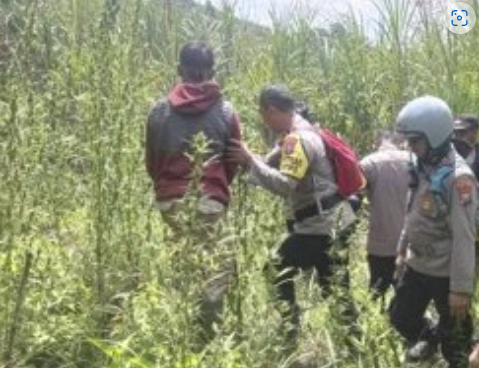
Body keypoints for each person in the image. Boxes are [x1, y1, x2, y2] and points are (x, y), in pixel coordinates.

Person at [227, 85, 358, 346]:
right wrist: (253, 162)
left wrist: (250, 160)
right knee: (334, 286)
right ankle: (354, 343)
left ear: (272, 110)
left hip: (320, 225)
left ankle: (291, 329)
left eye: (264, 115)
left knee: (276, 269)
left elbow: (284, 185)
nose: (265, 121)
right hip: (333, 220)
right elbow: (269, 163)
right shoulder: (302, 132)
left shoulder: (296, 140)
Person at [144, 41, 242, 344]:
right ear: (211, 72)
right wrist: (215, 189)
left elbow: (152, 161)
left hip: (169, 200)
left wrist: (169, 186)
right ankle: (206, 342)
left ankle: (180, 336)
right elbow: (233, 161)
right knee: (213, 272)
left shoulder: (158, 111)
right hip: (210, 199)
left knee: (182, 262)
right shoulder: (226, 112)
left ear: (179, 70)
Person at [389, 96, 476, 367]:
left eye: (415, 141)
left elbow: (465, 236)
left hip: (446, 273)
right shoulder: (423, 166)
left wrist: (460, 289)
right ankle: (430, 337)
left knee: (456, 347)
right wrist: (402, 250)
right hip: (419, 264)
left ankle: (461, 343)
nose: (410, 148)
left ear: (435, 136)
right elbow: (412, 211)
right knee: (400, 315)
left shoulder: (458, 178)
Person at [359, 130, 410, 302]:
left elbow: (355, 193)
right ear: (397, 142)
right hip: (411, 243)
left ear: (377, 143)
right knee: (406, 294)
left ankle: (375, 324)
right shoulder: (414, 160)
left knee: (376, 290)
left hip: (380, 243)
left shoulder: (368, 163)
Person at [453, 114, 479, 178]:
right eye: (456, 132)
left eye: (462, 132)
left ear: (475, 131)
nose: (458, 135)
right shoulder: (449, 149)